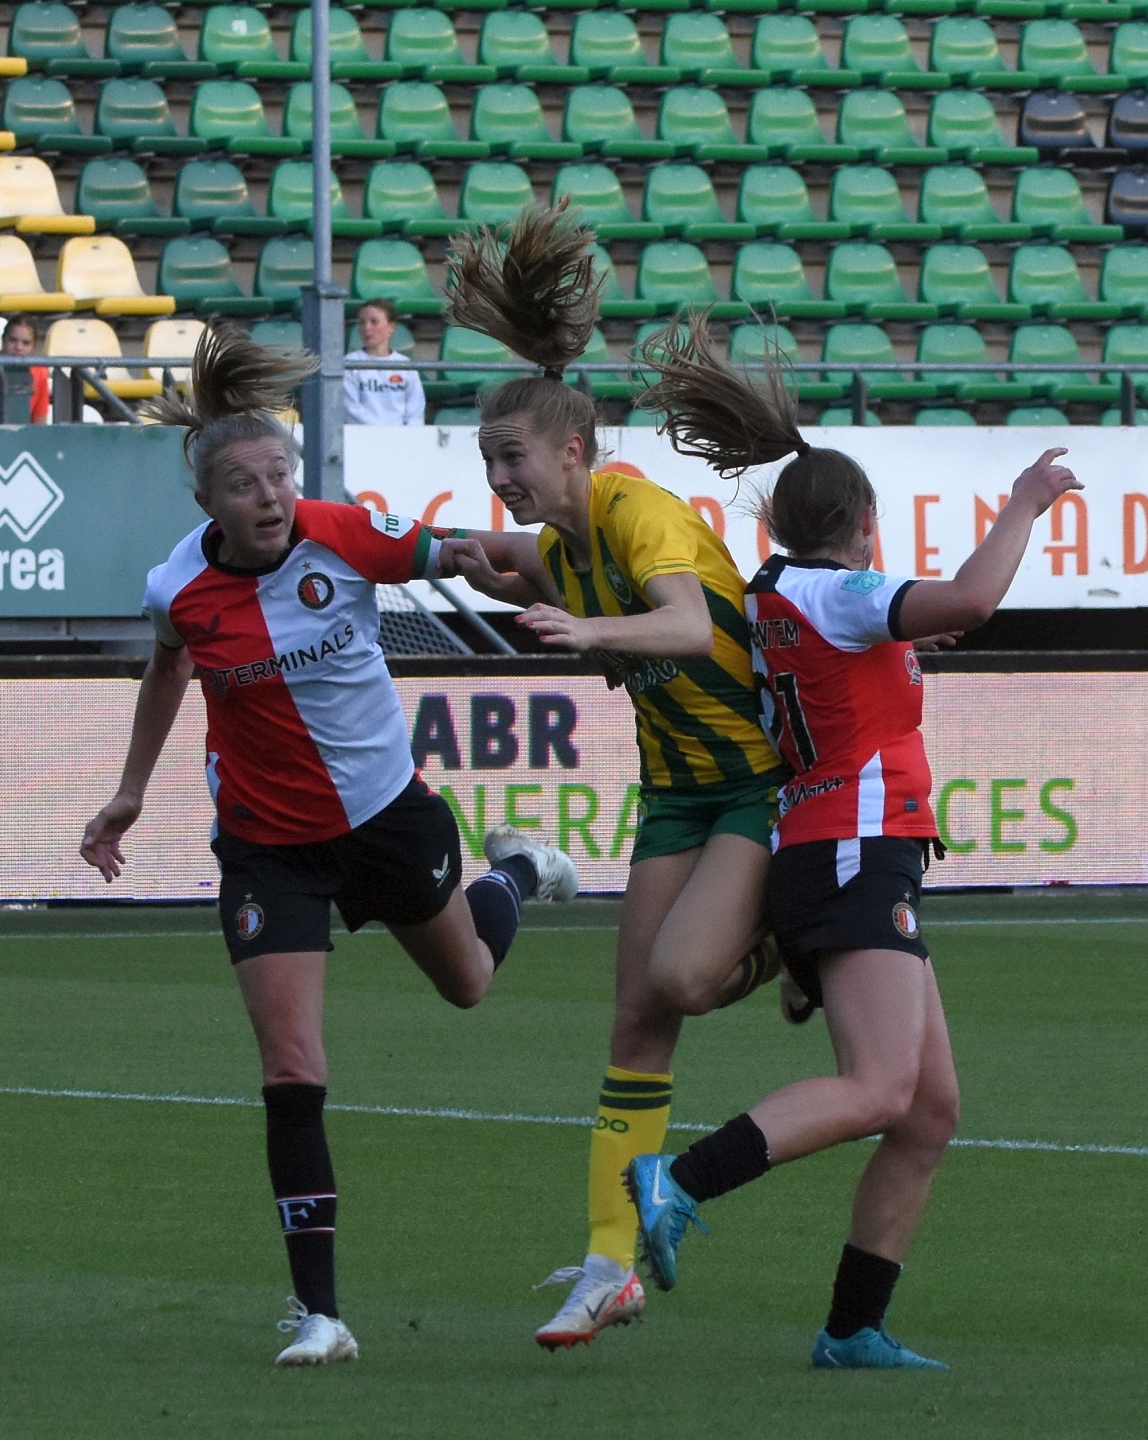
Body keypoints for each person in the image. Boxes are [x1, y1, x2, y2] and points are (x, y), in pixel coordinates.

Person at [78, 323, 579, 1368]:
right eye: (245, 483)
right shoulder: (178, 589)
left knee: (471, 985)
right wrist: (129, 791)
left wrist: (549, 588)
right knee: (292, 1066)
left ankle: (520, 870)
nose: (269, 496)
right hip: (270, 851)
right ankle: (320, 1315)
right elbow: (168, 669)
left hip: (387, 819)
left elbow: (464, 555)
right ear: (207, 501)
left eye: (279, 476)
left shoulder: (346, 533)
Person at [623, 321, 1081, 1370]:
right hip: (851, 846)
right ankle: (680, 1181)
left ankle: (851, 1328)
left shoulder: (780, 597)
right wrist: (1023, 503)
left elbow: (876, 647)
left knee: (928, 1112)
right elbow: (968, 596)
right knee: (882, 1089)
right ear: (867, 525)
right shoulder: (842, 595)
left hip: (841, 847)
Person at [435, 203, 795, 1350]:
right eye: (487, 463)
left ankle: (804, 940)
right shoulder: (573, 539)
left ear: (574, 453)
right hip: (676, 790)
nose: (500, 479)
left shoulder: (643, 516)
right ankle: (608, 1263)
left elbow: (687, 628)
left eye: (512, 460)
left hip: (752, 780)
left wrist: (590, 638)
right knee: (636, 1017)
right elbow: (522, 567)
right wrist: (462, 559)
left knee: (685, 982)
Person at [342, 299, 425, 426]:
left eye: (374, 322)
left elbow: (416, 410)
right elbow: (351, 408)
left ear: (391, 326)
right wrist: (382, 433)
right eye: (362, 322)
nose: (367, 328)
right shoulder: (349, 363)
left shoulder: (405, 365)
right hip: (365, 436)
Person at [0, 315, 50, 424]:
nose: (18, 347)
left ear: (34, 346)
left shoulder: (40, 372)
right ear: (3, 340)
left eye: (26, 343)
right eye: (13, 340)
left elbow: (39, 421)